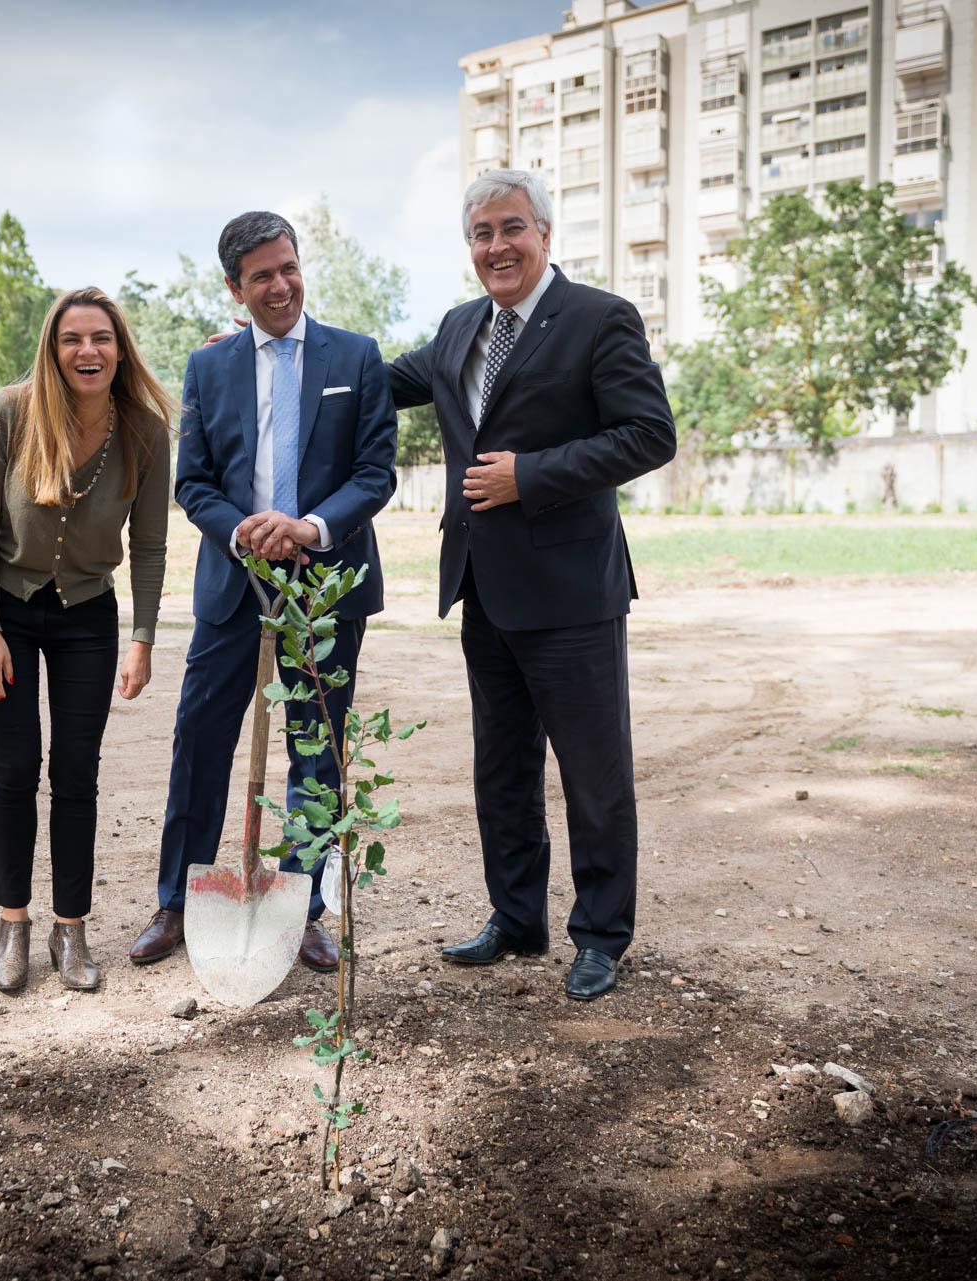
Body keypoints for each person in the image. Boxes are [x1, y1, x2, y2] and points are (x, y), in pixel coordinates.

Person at [387, 168, 677, 1001]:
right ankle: (516, 919)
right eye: (481, 234)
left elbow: (649, 434)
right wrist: (279, 341)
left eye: (511, 228)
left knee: (594, 771)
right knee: (502, 767)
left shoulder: (598, 319)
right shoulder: (456, 329)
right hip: (485, 587)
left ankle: (600, 935)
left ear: (545, 234)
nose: (496, 246)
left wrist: (533, 474)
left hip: (573, 591)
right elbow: (375, 379)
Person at [131, 210, 398, 973]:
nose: (281, 286)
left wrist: (309, 527)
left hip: (327, 587)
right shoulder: (207, 367)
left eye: (288, 268)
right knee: (200, 742)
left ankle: (305, 906)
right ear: (234, 287)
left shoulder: (356, 355)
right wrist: (245, 529)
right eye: (261, 277)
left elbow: (374, 472)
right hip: (232, 585)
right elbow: (195, 482)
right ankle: (177, 901)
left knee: (316, 751)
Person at [0, 286, 174, 993]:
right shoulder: (10, 414)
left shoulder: (143, 430)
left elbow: (149, 544)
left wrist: (142, 635)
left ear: (120, 349)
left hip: (88, 614)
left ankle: (71, 928)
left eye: (102, 338)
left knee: (77, 772)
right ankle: (13, 923)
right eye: (73, 338)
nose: (88, 351)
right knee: (16, 768)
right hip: (7, 612)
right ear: (53, 348)